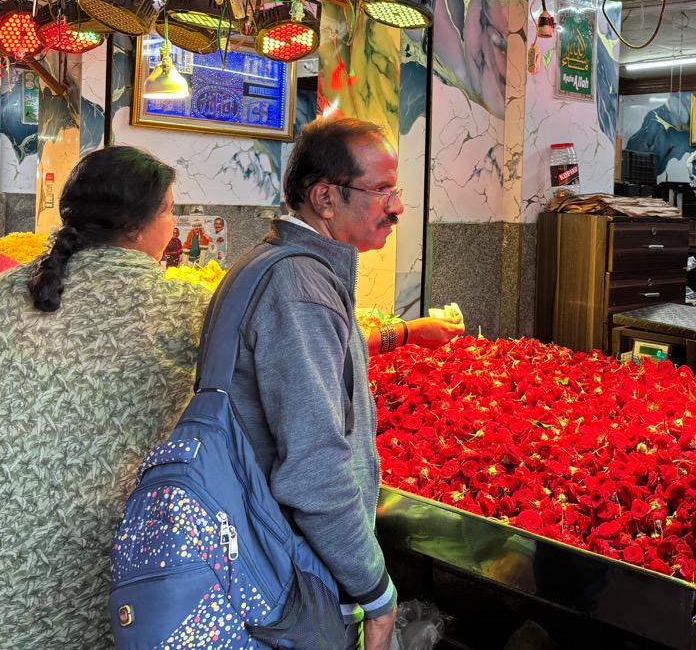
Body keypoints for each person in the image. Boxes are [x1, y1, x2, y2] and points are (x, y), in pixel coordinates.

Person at [226, 116, 455, 650]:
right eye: (381, 191)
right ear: (325, 198)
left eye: (395, 190)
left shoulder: (293, 269)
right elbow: (312, 468)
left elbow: (319, 360)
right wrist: (373, 589)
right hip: (291, 565)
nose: (397, 207)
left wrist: (400, 336)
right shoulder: (299, 287)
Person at [0, 147, 212, 647]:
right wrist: (392, 337)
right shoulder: (185, 308)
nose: (174, 224)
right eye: (170, 210)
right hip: (95, 550)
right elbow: (288, 347)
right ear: (139, 227)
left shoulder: (10, 288)